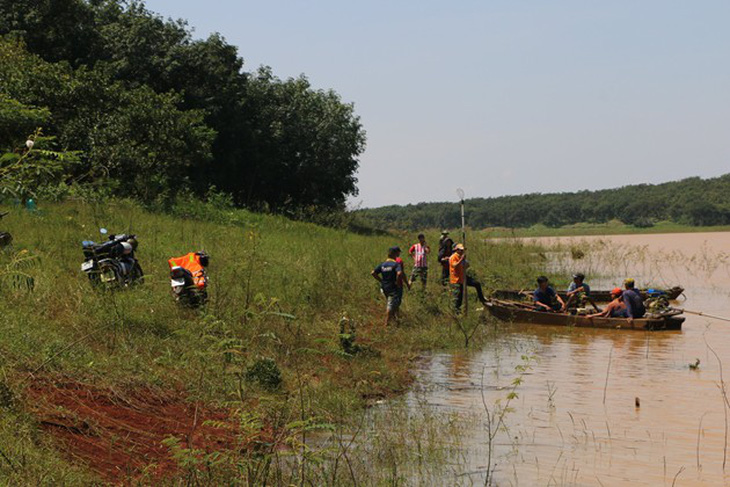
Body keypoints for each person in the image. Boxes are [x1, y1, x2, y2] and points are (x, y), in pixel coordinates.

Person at [371, 247, 405, 326]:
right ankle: (387, 323)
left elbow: (373, 272)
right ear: (394, 254)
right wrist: (397, 282)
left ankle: (396, 319)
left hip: (384, 287)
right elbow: (399, 273)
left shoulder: (383, 265)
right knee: (390, 305)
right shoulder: (395, 264)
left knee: (392, 303)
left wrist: (381, 281)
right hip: (393, 287)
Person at [449, 243, 488, 312]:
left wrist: (464, 261)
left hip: (463, 277)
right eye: (460, 250)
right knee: (459, 297)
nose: (462, 251)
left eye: (462, 250)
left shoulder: (461, 257)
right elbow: (455, 265)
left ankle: (482, 299)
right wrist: (461, 259)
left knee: (477, 284)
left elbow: (467, 265)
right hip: (456, 280)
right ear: (457, 250)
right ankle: (456, 311)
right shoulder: (453, 257)